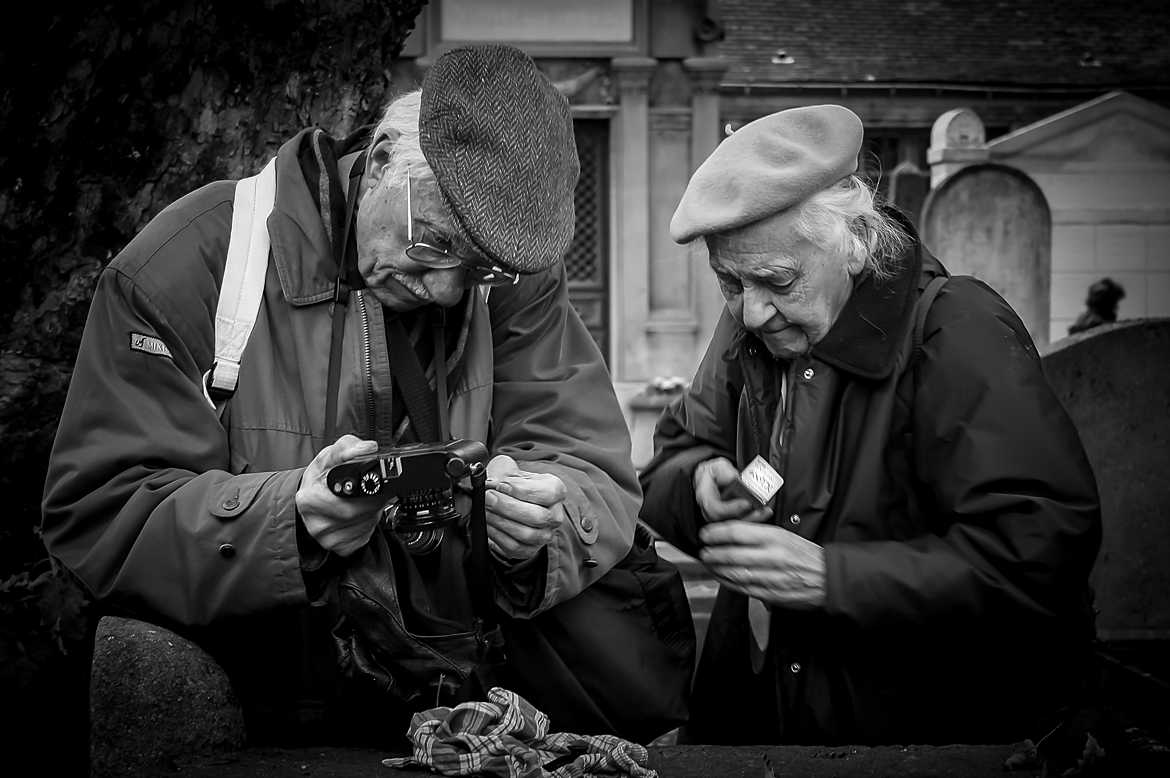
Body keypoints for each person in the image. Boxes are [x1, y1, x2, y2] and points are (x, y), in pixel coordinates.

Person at [41, 44, 652, 743]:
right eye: (433, 244)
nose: (448, 287)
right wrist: (289, 519)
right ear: (384, 158)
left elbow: (592, 468)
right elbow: (98, 514)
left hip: (463, 708)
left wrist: (543, 521)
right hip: (260, 716)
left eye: (477, 268)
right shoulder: (189, 260)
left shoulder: (510, 272)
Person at [639, 105, 1102, 745]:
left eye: (776, 279)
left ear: (854, 245)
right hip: (761, 716)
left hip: (918, 736)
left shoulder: (957, 331)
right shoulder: (756, 319)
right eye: (728, 282)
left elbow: (1037, 555)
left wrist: (833, 578)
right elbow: (670, 460)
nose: (749, 312)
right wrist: (699, 487)